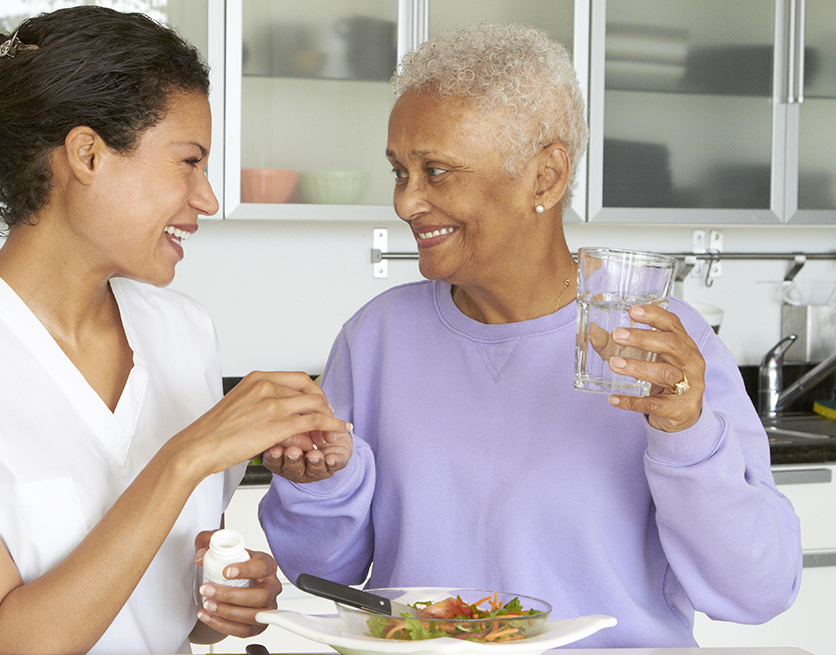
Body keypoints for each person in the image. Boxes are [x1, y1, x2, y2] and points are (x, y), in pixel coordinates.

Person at [258, 23, 802, 648]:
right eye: (399, 171)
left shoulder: (657, 348)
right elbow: (323, 575)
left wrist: (686, 432)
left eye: (436, 171)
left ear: (545, 176)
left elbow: (758, 591)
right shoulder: (378, 336)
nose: (406, 202)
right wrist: (319, 485)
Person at [0, 7, 350, 654]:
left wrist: (224, 599)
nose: (208, 198)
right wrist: (190, 453)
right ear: (87, 153)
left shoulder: (182, 331)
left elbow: (166, 609)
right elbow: (3, 643)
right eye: (189, 162)